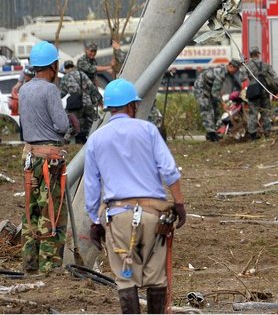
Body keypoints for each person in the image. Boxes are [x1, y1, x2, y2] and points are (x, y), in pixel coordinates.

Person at [84, 79, 186, 314]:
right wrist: (179, 203)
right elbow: (169, 171)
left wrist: (96, 221)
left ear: (109, 107)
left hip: (118, 217)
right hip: (153, 216)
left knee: (126, 277)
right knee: (157, 277)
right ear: (131, 106)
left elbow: (91, 186)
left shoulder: (96, 139)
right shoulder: (148, 130)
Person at [18, 41, 71, 273]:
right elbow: (61, 125)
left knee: (32, 212)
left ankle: (30, 266)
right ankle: (49, 269)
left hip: (29, 157)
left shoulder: (24, 89)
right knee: (52, 213)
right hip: (49, 159)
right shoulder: (50, 90)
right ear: (53, 66)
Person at [193, 59, 242, 142]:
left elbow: (217, 89)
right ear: (230, 66)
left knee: (216, 110)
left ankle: (213, 132)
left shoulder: (224, 71)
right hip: (201, 89)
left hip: (208, 89)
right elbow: (215, 93)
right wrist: (223, 104)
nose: (235, 72)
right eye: (235, 70)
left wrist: (221, 101)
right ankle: (211, 134)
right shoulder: (221, 73)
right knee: (207, 110)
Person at [243, 47, 278, 141]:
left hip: (253, 91)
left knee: (253, 113)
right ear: (258, 54)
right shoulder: (265, 65)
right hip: (264, 91)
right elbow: (274, 76)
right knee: (266, 112)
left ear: (250, 55)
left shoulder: (247, 65)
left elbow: (242, 77)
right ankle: (267, 133)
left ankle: (253, 135)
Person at [59, 60, 100, 143]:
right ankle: (96, 138)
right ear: (73, 66)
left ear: (65, 69)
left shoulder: (65, 78)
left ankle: (67, 141)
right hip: (87, 102)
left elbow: (62, 93)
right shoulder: (81, 74)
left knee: (75, 124)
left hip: (75, 104)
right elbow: (91, 86)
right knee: (93, 121)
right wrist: (99, 98)